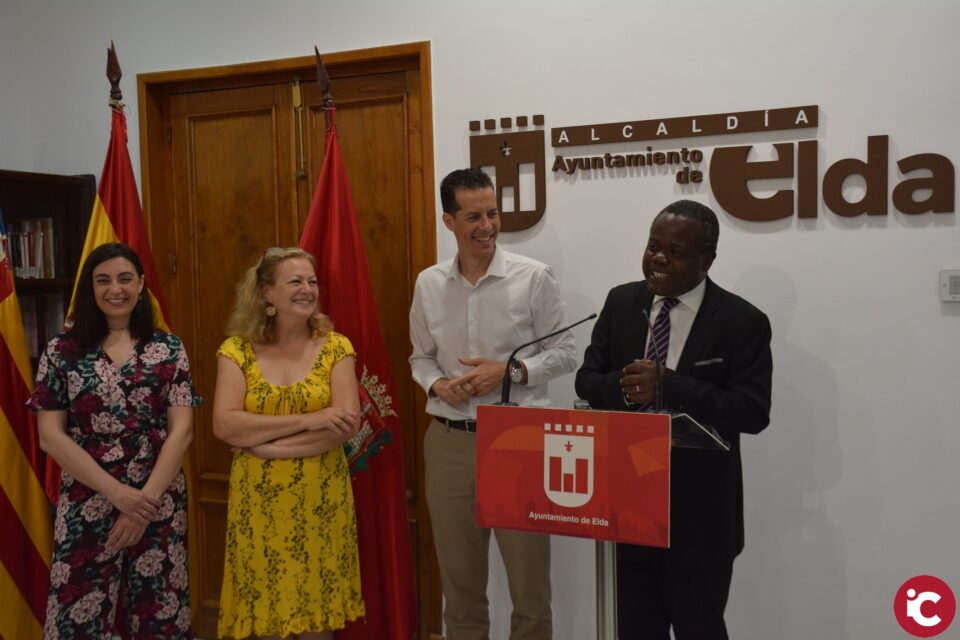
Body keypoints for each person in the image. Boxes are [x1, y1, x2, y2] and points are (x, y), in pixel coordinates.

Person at [575, 199, 772, 639]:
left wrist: (672, 386)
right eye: (652, 246)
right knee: (634, 630)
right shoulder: (622, 301)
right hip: (627, 502)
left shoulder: (743, 322)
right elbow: (588, 379)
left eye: (675, 251)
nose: (659, 259)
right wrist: (627, 388)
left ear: (707, 260)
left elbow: (753, 411)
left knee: (698, 628)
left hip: (700, 515)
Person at [409, 168, 577, 640]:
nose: (487, 226)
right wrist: (438, 385)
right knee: (460, 594)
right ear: (448, 220)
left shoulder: (533, 277)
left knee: (530, 594)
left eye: (493, 213)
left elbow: (566, 353)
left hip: (518, 443)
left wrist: (509, 372)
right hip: (448, 445)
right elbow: (420, 358)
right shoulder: (428, 284)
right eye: (474, 216)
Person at [28, 242, 198, 639]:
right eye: (102, 280)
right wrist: (118, 495)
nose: (115, 289)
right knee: (77, 617)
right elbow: (50, 437)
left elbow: (183, 431)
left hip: (158, 498)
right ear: (89, 288)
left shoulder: (169, 348)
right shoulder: (61, 350)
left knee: (160, 615)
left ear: (140, 284)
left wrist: (142, 505)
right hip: (87, 497)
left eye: (124, 278)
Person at [213, 247, 364, 640]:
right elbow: (225, 425)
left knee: (315, 621)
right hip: (257, 506)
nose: (307, 289)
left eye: (312, 281)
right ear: (266, 293)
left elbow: (345, 425)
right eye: (295, 281)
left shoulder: (336, 347)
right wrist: (310, 419)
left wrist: (265, 445)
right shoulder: (235, 350)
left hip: (320, 500)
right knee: (265, 619)